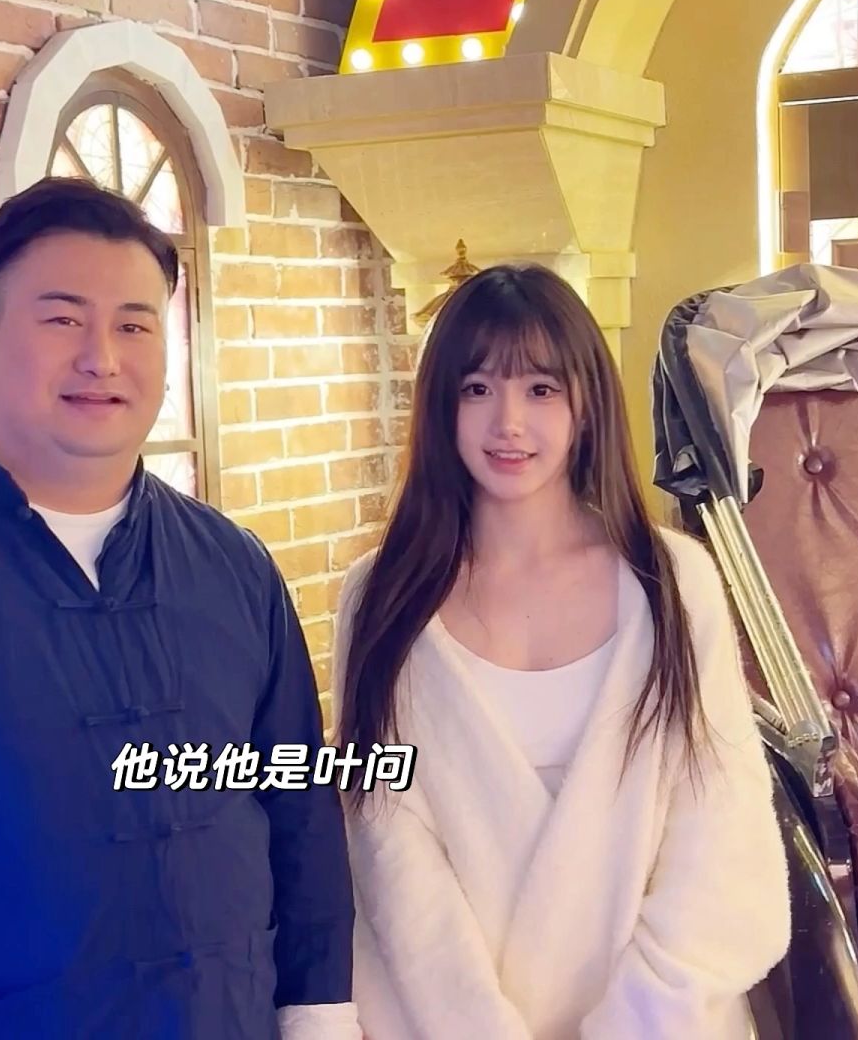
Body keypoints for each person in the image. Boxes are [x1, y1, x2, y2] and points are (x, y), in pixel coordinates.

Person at [0, 177, 360, 1039]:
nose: (102, 358)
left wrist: (319, 1014)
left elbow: (298, 815)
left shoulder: (233, 567)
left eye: (133, 325)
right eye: (62, 320)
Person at [330, 264, 792, 1039]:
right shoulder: (379, 596)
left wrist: (635, 1019)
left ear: (586, 404)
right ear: (442, 405)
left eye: (541, 388)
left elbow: (723, 828)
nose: (508, 421)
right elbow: (382, 841)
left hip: (659, 1020)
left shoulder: (672, 584)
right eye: (477, 388)